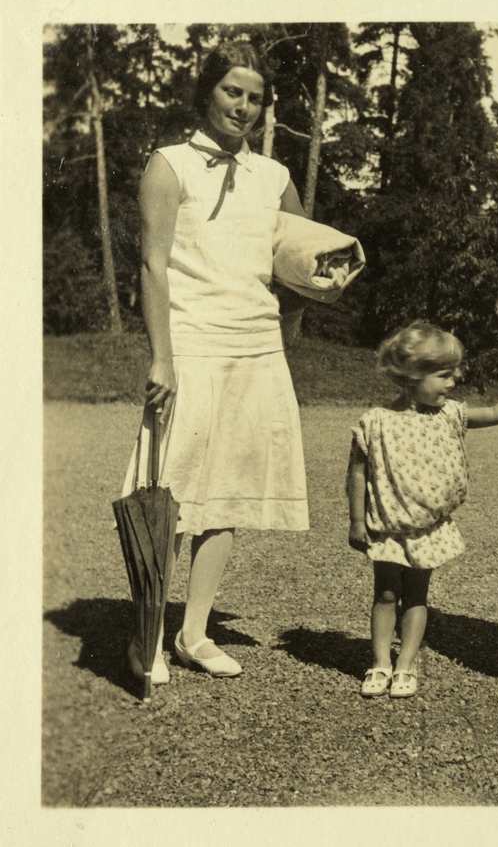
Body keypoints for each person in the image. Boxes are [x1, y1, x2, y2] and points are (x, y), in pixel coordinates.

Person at [123, 42, 311, 684]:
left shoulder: (276, 178)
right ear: (207, 92)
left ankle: (194, 632)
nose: (245, 106)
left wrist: (329, 272)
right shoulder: (168, 164)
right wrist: (161, 358)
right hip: (191, 345)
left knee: (227, 493)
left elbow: (304, 267)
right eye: (234, 92)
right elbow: (152, 264)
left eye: (256, 98)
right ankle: (147, 636)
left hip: (255, 348)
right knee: (168, 491)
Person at [347, 321, 498, 699]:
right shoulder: (377, 421)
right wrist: (355, 519)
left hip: (427, 529)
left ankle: (406, 665)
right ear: (412, 376)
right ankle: (380, 662)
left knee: (416, 595)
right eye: (444, 375)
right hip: (387, 526)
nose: (454, 382)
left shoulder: (450, 414)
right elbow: (357, 471)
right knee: (385, 594)